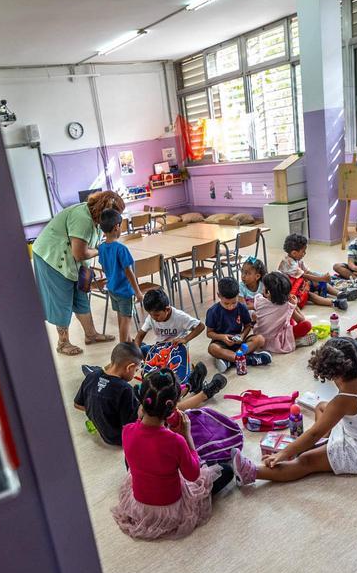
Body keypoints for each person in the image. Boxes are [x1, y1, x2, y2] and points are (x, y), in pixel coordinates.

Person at [111, 368, 255, 540]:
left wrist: (140, 420)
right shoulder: (175, 441)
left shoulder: (127, 430)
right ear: (172, 409)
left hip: (140, 505)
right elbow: (193, 475)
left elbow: (145, 442)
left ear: (142, 403)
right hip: (172, 508)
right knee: (226, 471)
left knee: (141, 459)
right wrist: (186, 435)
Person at [229, 337, 357, 486]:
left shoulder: (343, 400)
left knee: (306, 461)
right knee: (321, 406)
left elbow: (314, 433)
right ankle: (322, 444)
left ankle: (251, 472)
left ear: (334, 372)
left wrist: (284, 453)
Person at [74, 343, 226, 447]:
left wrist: (99, 411)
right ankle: (205, 393)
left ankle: (191, 385)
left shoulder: (92, 377)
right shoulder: (123, 389)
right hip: (121, 437)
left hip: (107, 433)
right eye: (136, 370)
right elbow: (133, 423)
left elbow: (78, 404)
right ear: (129, 367)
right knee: (161, 406)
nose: (136, 373)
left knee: (154, 396)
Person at [32, 190, 125, 355]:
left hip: (77, 262)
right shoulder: (82, 218)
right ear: (103, 210)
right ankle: (63, 343)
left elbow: (84, 252)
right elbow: (80, 253)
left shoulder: (97, 219)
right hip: (52, 257)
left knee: (82, 294)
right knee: (63, 299)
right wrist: (101, 250)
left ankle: (91, 334)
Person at [96, 208, 142, 343]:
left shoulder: (101, 247)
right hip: (125, 291)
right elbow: (129, 272)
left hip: (112, 289)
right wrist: (138, 292)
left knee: (120, 317)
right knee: (127, 319)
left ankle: (127, 341)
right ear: (117, 227)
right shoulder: (121, 249)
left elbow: (104, 268)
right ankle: (123, 348)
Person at [205, 277, 269, 373]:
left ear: (238, 295)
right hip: (222, 344)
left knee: (260, 339)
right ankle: (249, 360)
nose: (230, 306)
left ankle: (230, 361)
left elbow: (248, 326)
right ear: (219, 295)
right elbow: (209, 333)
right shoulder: (213, 311)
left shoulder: (241, 307)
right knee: (212, 349)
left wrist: (242, 336)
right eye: (226, 303)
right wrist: (223, 337)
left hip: (239, 343)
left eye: (234, 303)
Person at [279, 233, 353, 311]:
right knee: (310, 295)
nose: (305, 254)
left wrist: (321, 276)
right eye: (303, 251)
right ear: (294, 253)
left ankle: (340, 294)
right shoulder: (288, 263)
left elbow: (308, 272)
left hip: (300, 285)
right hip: (290, 292)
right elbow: (304, 276)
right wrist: (321, 278)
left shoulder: (298, 260)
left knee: (319, 282)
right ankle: (335, 302)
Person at [253, 271, 317, 354]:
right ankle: (295, 341)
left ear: (267, 292)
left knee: (285, 319)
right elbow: (301, 320)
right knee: (307, 325)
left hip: (260, 338)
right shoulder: (287, 306)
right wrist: (294, 305)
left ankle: (293, 340)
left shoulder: (259, 300)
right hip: (277, 341)